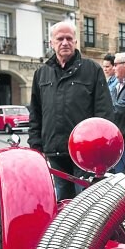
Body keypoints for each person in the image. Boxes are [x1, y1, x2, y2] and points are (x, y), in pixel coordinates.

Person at [28, 20, 114, 200]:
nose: (65, 42)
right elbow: (36, 113)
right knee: (63, 203)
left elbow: (104, 111)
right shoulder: (41, 73)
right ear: (51, 42)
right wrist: (36, 145)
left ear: (75, 42)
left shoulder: (92, 69)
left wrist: (102, 149)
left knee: (87, 203)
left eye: (69, 38)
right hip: (55, 150)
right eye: (60, 38)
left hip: (86, 152)